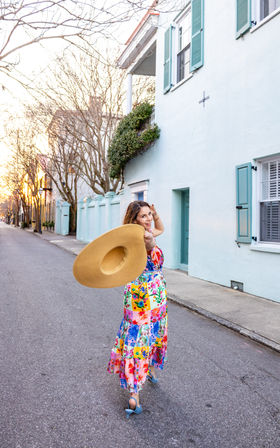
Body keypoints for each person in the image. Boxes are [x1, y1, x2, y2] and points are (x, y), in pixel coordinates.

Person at [107, 200, 168, 417]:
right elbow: (153, 243)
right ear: (134, 220)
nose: (149, 218)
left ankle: (141, 380)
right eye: (144, 216)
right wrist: (151, 241)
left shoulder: (130, 238)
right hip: (151, 296)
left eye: (149, 214)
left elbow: (160, 228)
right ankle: (135, 393)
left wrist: (154, 213)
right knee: (147, 337)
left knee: (136, 337)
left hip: (136, 294)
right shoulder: (146, 238)